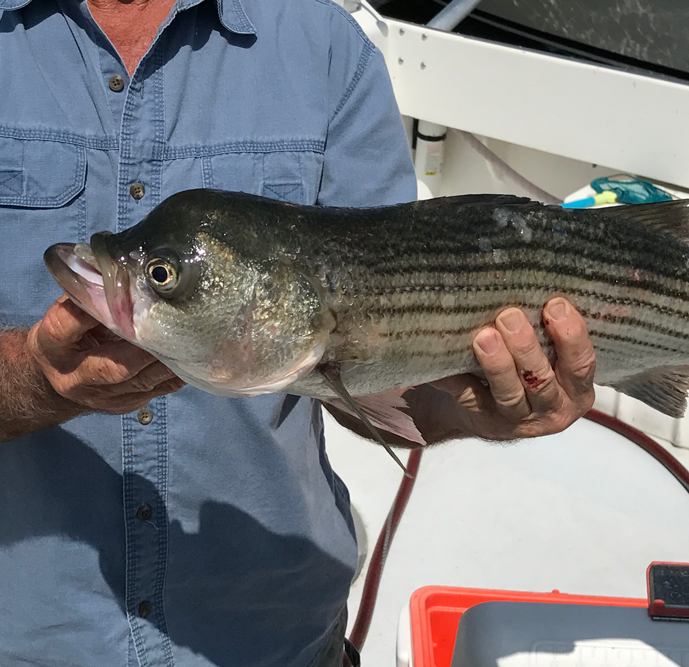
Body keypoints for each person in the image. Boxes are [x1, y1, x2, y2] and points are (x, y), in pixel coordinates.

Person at [0, 0, 597, 665]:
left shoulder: (325, 49)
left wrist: (489, 407)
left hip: (276, 639)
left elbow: (376, 363)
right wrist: (31, 378)